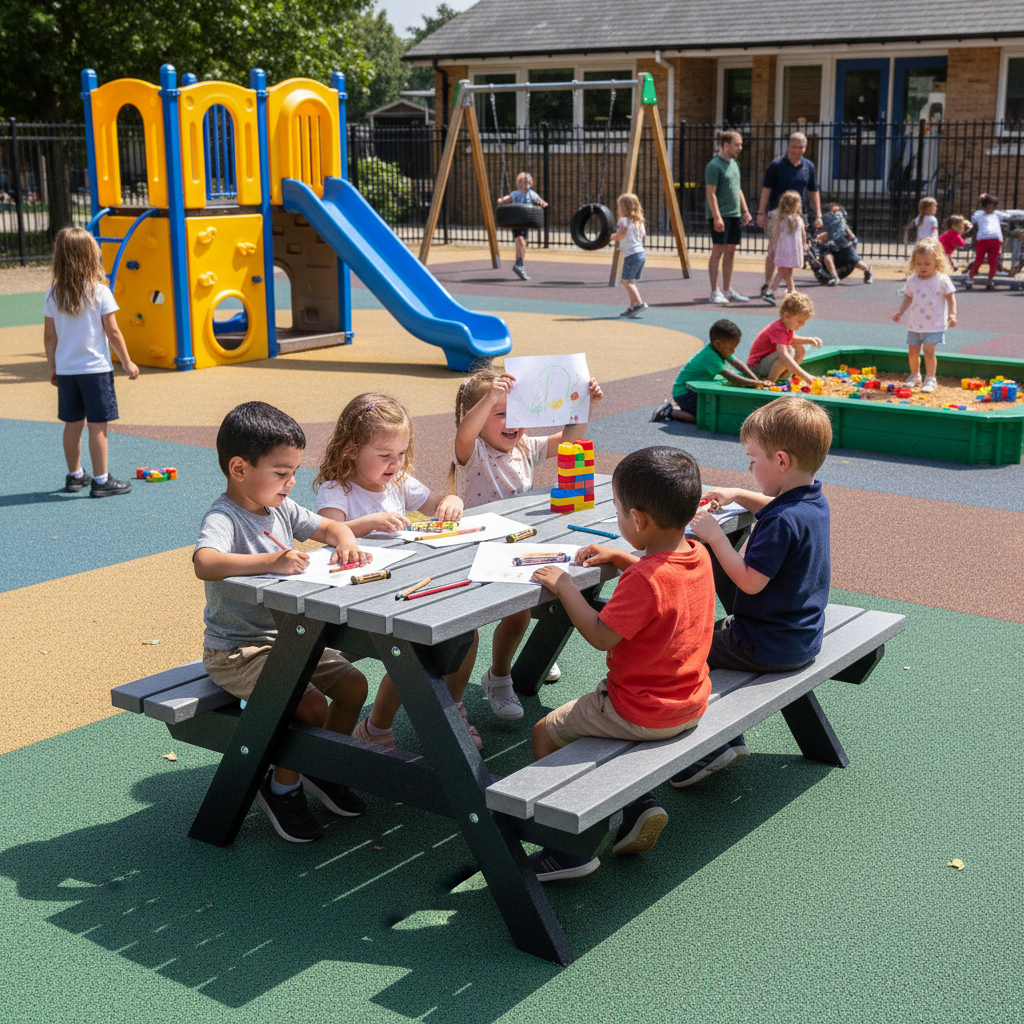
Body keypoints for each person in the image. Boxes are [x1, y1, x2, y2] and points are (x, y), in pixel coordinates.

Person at [527, 447, 716, 879]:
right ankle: (638, 804)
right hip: (689, 702)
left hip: (639, 710)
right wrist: (621, 557)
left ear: (639, 519)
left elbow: (599, 635)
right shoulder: (698, 555)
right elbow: (662, 580)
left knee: (544, 733)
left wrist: (563, 586)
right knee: (583, 729)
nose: (616, 519)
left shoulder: (643, 582)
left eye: (617, 511)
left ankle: (570, 849)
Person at [193, 401, 371, 844]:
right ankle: (282, 786)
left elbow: (330, 529)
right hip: (237, 651)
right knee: (308, 705)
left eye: (293, 472)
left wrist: (345, 540)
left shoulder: (283, 509)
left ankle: (321, 764)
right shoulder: (224, 517)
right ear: (239, 467)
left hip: (291, 639)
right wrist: (270, 561)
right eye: (281, 472)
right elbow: (205, 561)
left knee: (354, 687)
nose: (291, 483)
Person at [313, 393, 481, 750]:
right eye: (385, 455)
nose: (395, 463)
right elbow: (329, 530)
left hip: (401, 587)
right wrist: (370, 522)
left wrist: (453, 500)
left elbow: (438, 503)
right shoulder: (337, 489)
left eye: (401, 453)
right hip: (355, 596)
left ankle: (451, 709)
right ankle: (379, 727)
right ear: (350, 451)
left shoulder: (399, 482)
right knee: (412, 646)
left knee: (464, 632)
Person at [678, 397, 832, 786]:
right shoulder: (811, 501)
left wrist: (715, 538)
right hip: (800, 635)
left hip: (766, 644)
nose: (748, 467)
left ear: (780, 461)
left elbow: (748, 580)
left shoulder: (781, 521)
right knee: (711, 632)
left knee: (686, 650)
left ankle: (716, 743)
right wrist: (738, 495)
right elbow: (775, 503)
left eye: (752, 459)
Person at [451, 368, 603, 719]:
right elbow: (465, 432)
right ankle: (455, 698)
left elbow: (570, 441)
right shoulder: (472, 451)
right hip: (469, 556)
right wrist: (490, 395)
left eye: (517, 412)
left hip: (513, 551)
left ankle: (500, 676)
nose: (511, 422)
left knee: (518, 613)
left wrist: (584, 404)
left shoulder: (525, 447)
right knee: (465, 629)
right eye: (499, 413)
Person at [43, 226, 139, 497]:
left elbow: (50, 337)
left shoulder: (53, 294)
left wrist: (53, 366)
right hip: (95, 370)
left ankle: (75, 476)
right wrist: (127, 362)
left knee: (72, 424)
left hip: (67, 370)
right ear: (90, 256)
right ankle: (101, 480)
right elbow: (114, 332)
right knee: (98, 426)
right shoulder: (99, 292)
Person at [650, 319, 763, 424]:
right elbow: (731, 377)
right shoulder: (710, 356)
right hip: (684, 392)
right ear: (718, 344)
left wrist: (755, 379)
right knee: (705, 419)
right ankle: (670, 412)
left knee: (714, 407)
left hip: (693, 389)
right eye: (731, 348)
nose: (733, 351)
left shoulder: (719, 350)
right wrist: (755, 383)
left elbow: (738, 363)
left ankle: (682, 408)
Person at [756, 133, 823, 305]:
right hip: (777, 214)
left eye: (801, 147)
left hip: (798, 214)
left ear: (805, 148)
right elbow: (766, 189)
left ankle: (789, 288)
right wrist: (761, 212)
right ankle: (768, 284)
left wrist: (819, 215)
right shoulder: (776, 165)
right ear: (788, 147)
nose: (797, 150)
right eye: (794, 147)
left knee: (791, 251)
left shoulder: (808, 166)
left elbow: (813, 191)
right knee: (774, 250)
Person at [892, 237, 956, 393]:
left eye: (927, 264)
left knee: (928, 350)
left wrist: (953, 314)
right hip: (915, 323)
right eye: (919, 264)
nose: (923, 267)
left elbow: (950, 296)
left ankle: (930, 378)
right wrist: (900, 312)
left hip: (934, 324)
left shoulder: (941, 279)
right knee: (913, 352)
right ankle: (915, 375)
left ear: (937, 262)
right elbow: (908, 296)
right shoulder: (913, 280)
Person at [704, 129, 753, 305]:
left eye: (741, 144)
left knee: (731, 252)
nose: (740, 148)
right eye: (737, 144)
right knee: (718, 250)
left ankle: (727, 289)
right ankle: (714, 291)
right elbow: (711, 193)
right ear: (726, 145)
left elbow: (737, 189)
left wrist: (745, 211)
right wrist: (717, 217)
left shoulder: (734, 164)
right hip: (720, 214)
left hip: (734, 214)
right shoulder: (714, 165)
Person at [745, 291, 823, 386]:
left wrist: (809, 340)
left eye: (804, 321)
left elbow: (792, 339)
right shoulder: (778, 328)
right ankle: (770, 382)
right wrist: (806, 376)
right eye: (799, 321)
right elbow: (783, 355)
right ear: (787, 316)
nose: (803, 324)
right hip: (756, 367)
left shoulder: (786, 326)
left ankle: (784, 378)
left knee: (800, 350)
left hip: (766, 363)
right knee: (788, 352)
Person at [496, 171, 548, 281]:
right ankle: (519, 264)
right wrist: (502, 200)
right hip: (516, 221)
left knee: (523, 243)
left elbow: (538, 200)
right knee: (520, 241)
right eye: (525, 181)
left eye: (529, 181)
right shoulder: (515, 193)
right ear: (519, 183)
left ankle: (520, 264)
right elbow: (509, 198)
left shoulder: (531, 193)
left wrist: (543, 203)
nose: (527, 183)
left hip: (526, 221)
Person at [609, 192, 648, 317]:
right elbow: (642, 236)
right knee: (630, 281)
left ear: (625, 208)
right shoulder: (639, 222)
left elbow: (622, 234)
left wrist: (611, 237)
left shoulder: (623, 220)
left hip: (632, 255)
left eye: (619, 206)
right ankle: (632, 307)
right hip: (641, 254)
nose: (618, 209)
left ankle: (640, 303)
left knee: (625, 281)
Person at [816, 204, 873, 284]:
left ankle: (867, 270)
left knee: (855, 260)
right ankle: (834, 277)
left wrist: (851, 237)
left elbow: (851, 235)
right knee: (828, 257)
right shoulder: (825, 222)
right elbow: (820, 237)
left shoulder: (842, 226)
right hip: (831, 247)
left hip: (843, 246)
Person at [767, 191, 806, 295]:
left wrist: (774, 247)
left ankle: (791, 289)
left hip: (783, 249)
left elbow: (776, 235)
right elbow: (803, 234)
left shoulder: (781, 220)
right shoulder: (799, 220)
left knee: (786, 269)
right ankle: (770, 291)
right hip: (793, 250)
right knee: (783, 270)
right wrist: (804, 244)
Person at [967, 193, 1004, 289]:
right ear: (983, 207)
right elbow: (973, 221)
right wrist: (981, 200)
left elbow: (1010, 214)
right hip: (982, 240)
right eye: (988, 206)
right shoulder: (978, 214)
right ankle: (971, 277)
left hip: (996, 239)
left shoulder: (997, 214)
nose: (990, 209)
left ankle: (990, 280)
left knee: (993, 261)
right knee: (978, 260)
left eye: (993, 207)